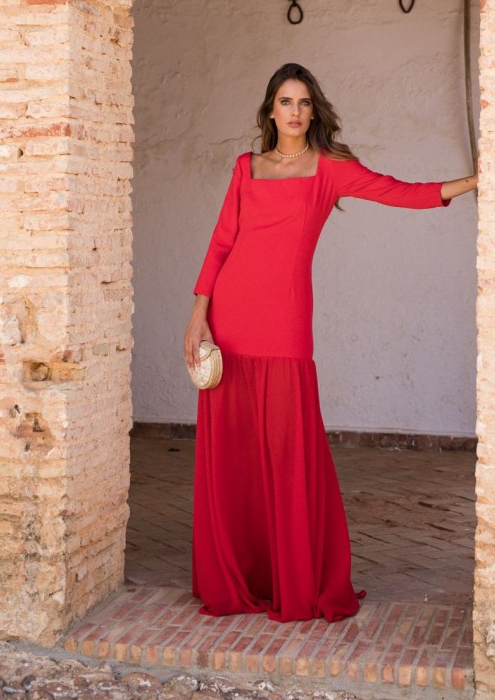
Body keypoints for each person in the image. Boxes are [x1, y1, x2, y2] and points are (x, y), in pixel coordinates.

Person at [184, 63, 478, 623]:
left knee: (287, 446)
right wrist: (199, 314)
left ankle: (293, 576)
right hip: (231, 314)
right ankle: (238, 576)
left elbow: (401, 194)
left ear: (313, 111)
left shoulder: (330, 169)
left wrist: (470, 182)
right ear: (270, 110)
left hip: (286, 319)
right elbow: (222, 242)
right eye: (284, 102)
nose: (294, 112)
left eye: (303, 103)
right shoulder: (246, 167)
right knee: (236, 448)